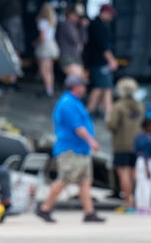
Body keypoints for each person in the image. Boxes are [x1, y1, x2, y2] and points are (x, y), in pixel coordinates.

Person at [35, 75, 105, 223]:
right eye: (82, 85)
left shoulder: (75, 102)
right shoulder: (68, 104)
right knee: (65, 178)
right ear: (75, 87)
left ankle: (89, 212)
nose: (84, 88)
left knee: (85, 181)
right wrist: (91, 141)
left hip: (81, 150)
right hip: (70, 149)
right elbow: (77, 127)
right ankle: (45, 208)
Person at [106, 76, 144, 213]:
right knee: (135, 174)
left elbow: (112, 125)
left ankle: (128, 202)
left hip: (121, 145)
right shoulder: (140, 106)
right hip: (137, 144)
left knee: (124, 174)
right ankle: (139, 200)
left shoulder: (118, 106)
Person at [84, 4, 119, 122]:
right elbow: (102, 46)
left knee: (106, 87)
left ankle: (108, 114)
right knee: (101, 87)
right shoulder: (96, 25)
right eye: (110, 15)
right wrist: (111, 60)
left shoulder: (101, 25)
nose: (111, 18)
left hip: (101, 62)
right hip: (99, 62)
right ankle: (87, 112)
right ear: (104, 12)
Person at [133, 117, 151, 214]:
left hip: (139, 161)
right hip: (146, 162)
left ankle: (139, 205)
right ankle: (146, 206)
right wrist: (147, 169)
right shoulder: (147, 138)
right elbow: (147, 153)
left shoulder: (138, 137)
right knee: (147, 185)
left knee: (140, 184)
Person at [34, 3, 60, 97]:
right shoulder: (53, 20)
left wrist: (36, 43)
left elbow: (42, 37)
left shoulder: (42, 21)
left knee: (43, 70)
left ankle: (47, 90)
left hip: (45, 46)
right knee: (49, 70)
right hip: (52, 44)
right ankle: (50, 90)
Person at [56, 6, 85, 78]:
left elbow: (84, 40)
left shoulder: (75, 26)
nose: (77, 18)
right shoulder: (65, 25)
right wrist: (79, 42)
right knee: (76, 79)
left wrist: (83, 27)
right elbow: (75, 41)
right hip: (67, 56)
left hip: (76, 56)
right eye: (75, 15)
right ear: (70, 14)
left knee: (80, 79)